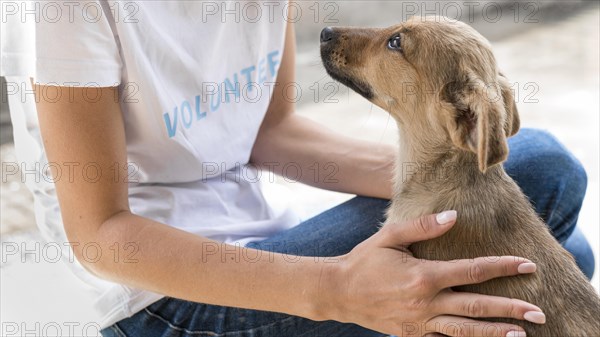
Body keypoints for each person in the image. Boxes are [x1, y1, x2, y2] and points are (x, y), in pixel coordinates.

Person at [1, 1, 594, 336]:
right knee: (543, 214)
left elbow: (270, 133)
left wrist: (436, 168)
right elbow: (99, 235)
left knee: (545, 231)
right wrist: (338, 291)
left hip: (268, 237)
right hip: (158, 300)